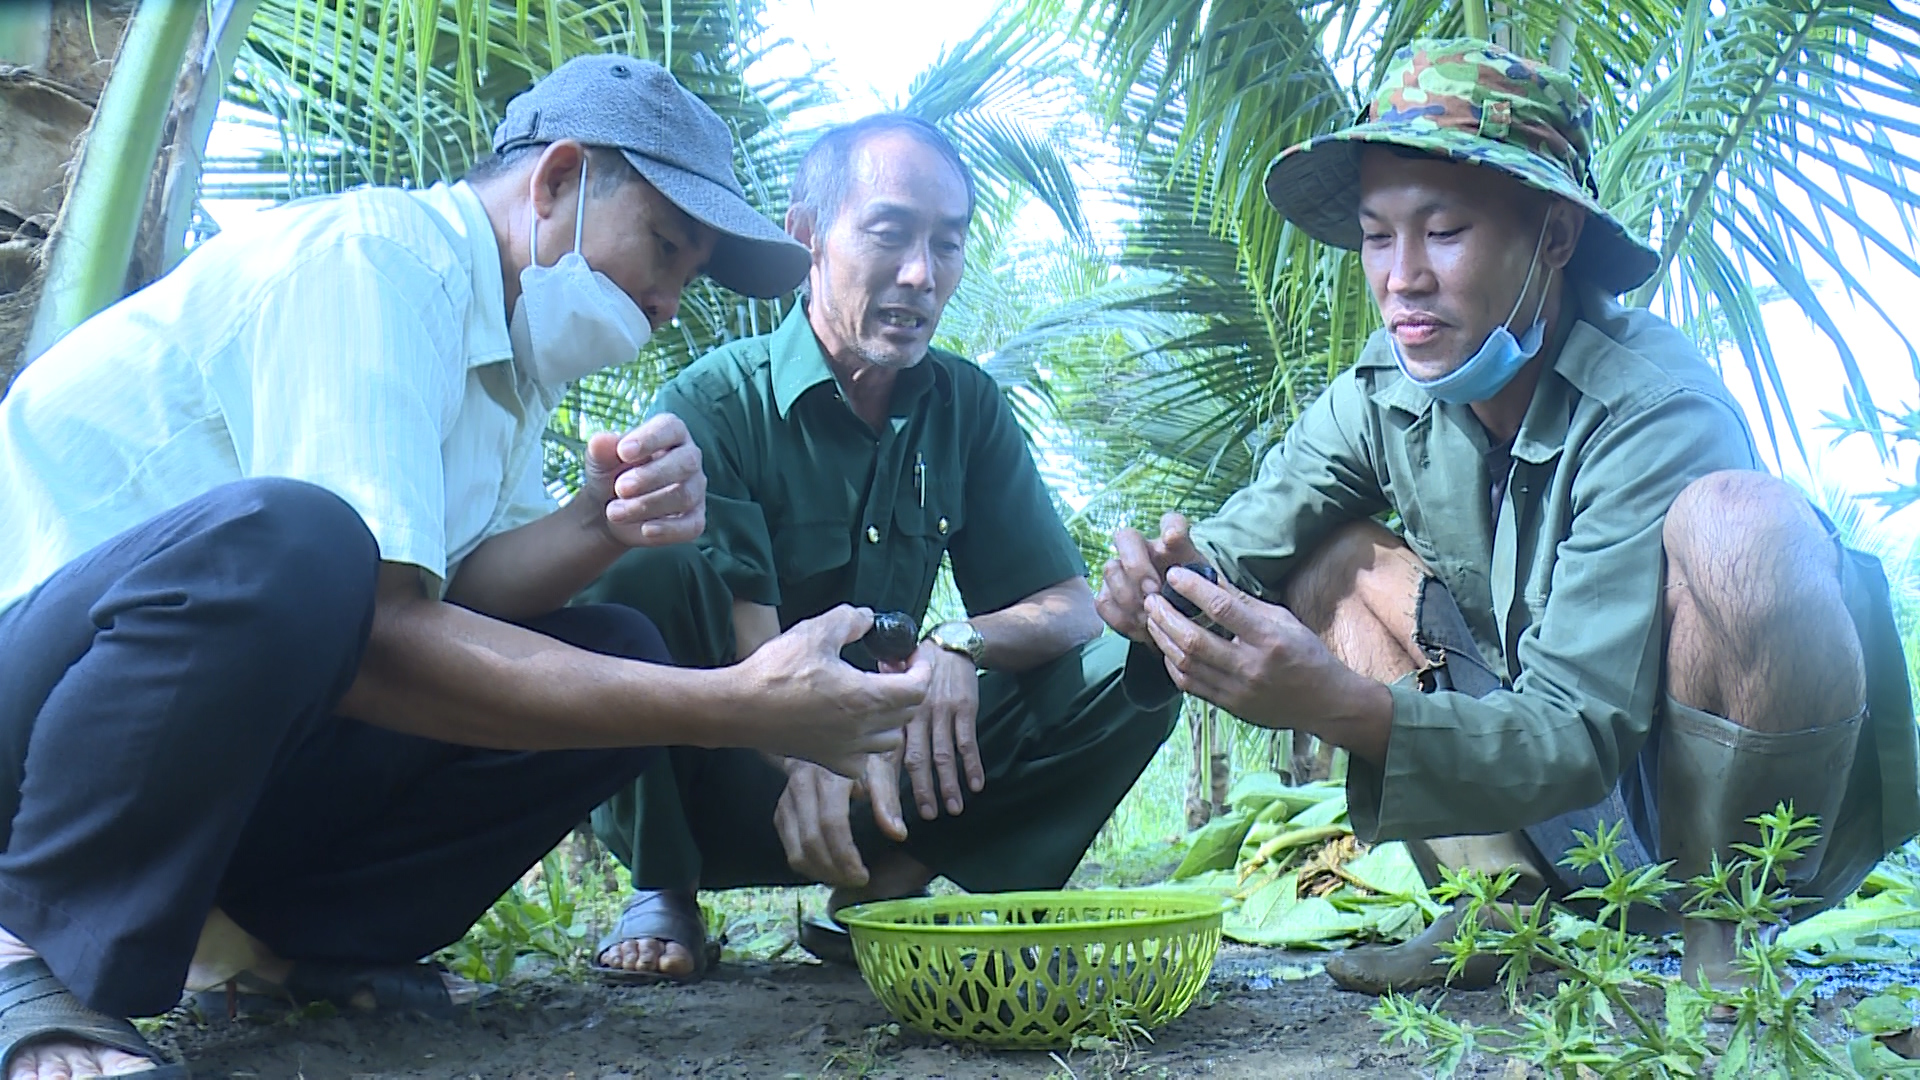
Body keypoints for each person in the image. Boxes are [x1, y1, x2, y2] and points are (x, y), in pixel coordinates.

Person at [0, 56, 930, 1080]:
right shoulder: (372, 267)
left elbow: (459, 599)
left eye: (691, 271)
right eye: (665, 247)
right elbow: (372, 628)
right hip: (38, 723)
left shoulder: (508, 360)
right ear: (557, 181)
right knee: (302, 538)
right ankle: (29, 952)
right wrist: (732, 702)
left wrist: (597, 524)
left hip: (202, 745)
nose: (671, 298)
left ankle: (293, 951)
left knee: (614, 648)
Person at [1097, 39, 1919, 996]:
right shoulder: (1381, 391)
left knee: (1744, 526)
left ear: (1555, 239)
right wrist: (1162, 590)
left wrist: (1342, 706)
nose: (1401, 277)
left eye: (1443, 231)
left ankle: (1720, 949)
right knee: (1332, 560)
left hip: (1697, 807)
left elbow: (1578, 731)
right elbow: (1234, 554)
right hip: (1532, 793)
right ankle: (1497, 909)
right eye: (1376, 236)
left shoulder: (1655, 409)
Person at [582, 114, 1182, 982]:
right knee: (638, 554)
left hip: (888, 785)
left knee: (1136, 661)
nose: (921, 274)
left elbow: (1069, 606)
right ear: (807, 236)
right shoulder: (715, 400)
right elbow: (755, 645)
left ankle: (890, 885)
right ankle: (663, 885)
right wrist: (802, 746)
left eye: (947, 243)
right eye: (891, 233)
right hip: (734, 767)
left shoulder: (966, 405)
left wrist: (956, 644)